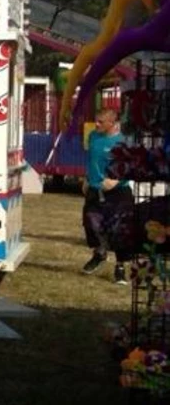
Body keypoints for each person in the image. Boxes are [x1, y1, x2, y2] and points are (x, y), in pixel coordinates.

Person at [81, 108, 133, 284]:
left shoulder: (122, 142)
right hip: (95, 189)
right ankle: (100, 253)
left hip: (118, 191)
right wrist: (87, 179)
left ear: (112, 123)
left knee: (119, 229)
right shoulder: (93, 136)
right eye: (96, 121)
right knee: (90, 221)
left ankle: (120, 268)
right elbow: (91, 160)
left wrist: (117, 180)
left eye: (100, 122)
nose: (96, 124)